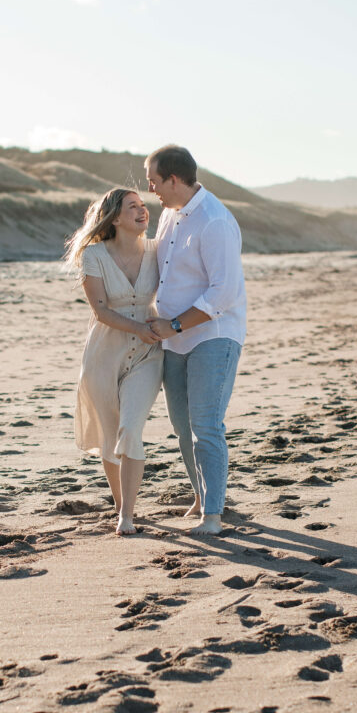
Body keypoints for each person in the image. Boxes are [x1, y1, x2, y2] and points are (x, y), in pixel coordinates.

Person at [145, 145, 246, 536]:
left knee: (206, 424)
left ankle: (214, 516)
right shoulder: (169, 215)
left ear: (174, 179)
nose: (151, 188)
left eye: (154, 181)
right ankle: (201, 497)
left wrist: (174, 325)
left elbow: (224, 294)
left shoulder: (214, 221)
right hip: (174, 338)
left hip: (212, 336)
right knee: (181, 426)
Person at [64, 187, 163, 535]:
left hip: (148, 354)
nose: (142, 211)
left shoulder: (158, 250)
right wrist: (139, 325)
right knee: (110, 435)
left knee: (130, 428)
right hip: (104, 354)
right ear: (115, 217)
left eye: (144, 205)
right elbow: (101, 310)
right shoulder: (94, 255)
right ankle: (121, 503)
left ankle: (127, 516)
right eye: (132, 206)